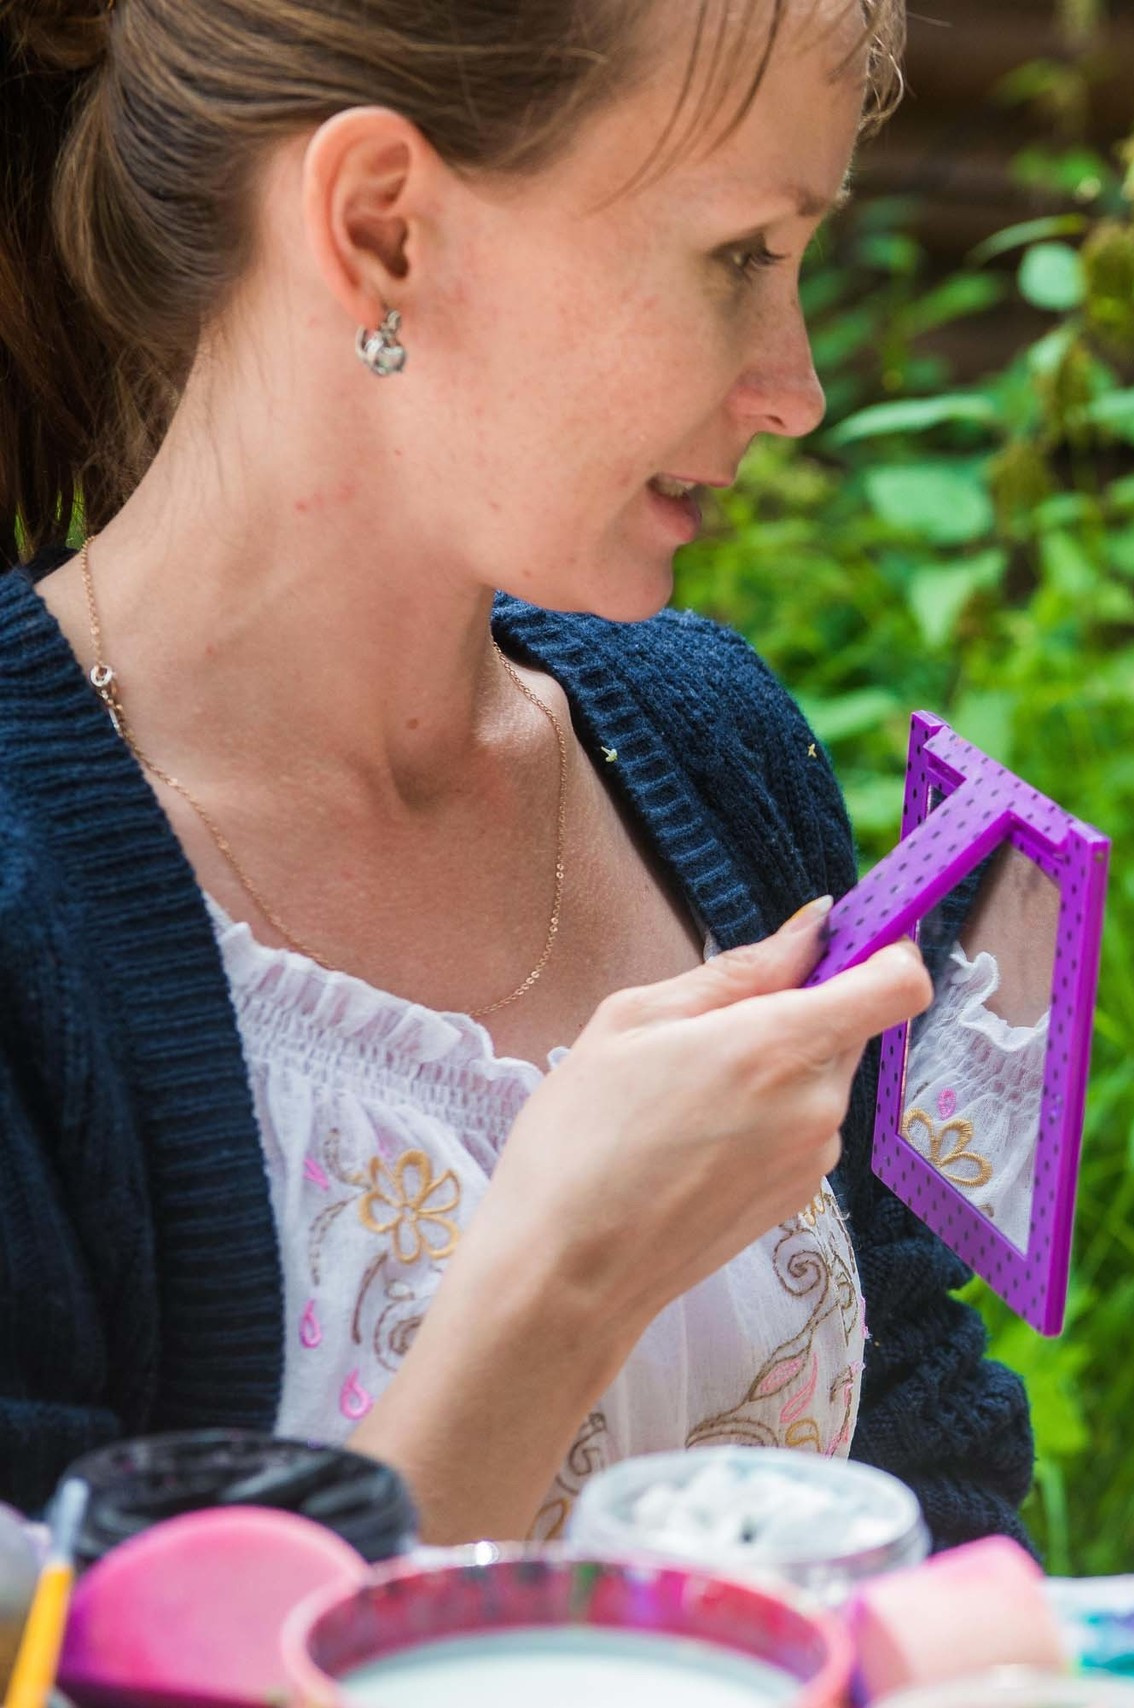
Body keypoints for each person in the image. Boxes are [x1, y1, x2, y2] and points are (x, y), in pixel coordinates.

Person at [0, 0, 1035, 1549]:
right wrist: (567, 1276)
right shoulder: (26, 889)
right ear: (383, 229)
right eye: (741, 255)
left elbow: (931, 1496)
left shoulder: (709, 742)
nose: (795, 386)